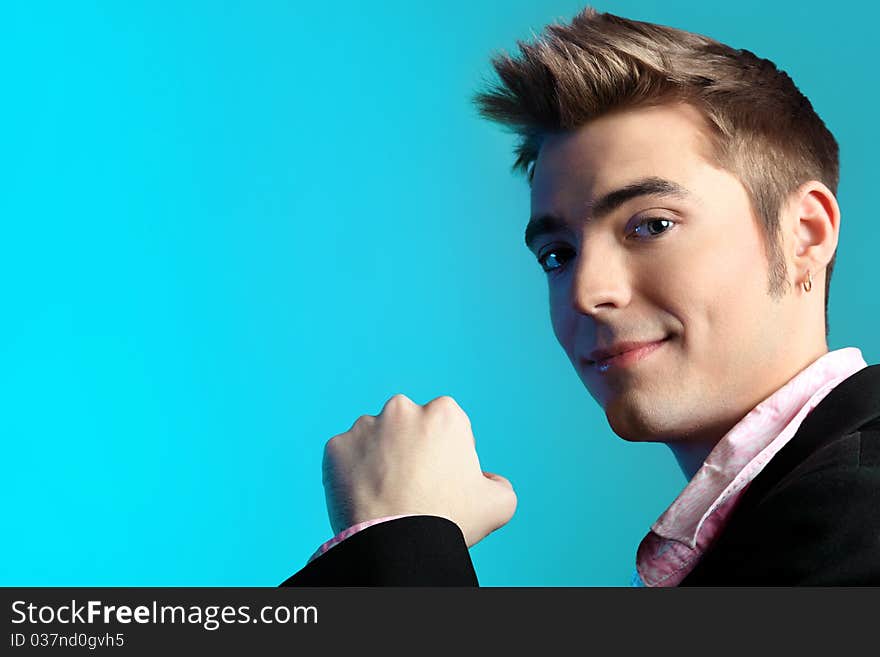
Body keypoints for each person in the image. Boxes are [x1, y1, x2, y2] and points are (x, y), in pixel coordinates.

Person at [280, 6, 880, 586]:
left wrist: (397, 545)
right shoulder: (786, 520)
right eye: (557, 256)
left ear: (806, 234)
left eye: (652, 225)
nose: (587, 293)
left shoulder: (858, 512)